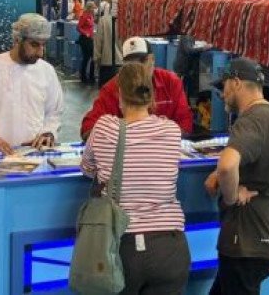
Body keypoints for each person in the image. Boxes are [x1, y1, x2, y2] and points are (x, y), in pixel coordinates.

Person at [81, 63, 190, 294]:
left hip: (121, 247)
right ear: (150, 94)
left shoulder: (103, 127)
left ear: (119, 92)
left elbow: (88, 169)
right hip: (171, 249)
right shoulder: (172, 130)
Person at [204, 57, 269, 295]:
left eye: (224, 86)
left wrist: (231, 196)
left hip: (245, 243)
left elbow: (227, 165)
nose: (222, 94)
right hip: (267, 240)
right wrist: (219, 173)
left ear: (236, 83)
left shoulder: (251, 120)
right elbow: (256, 160)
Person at [0, 13, 64, 154]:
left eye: (43, 45)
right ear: (17, 39)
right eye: (34, 44)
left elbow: (54, 112)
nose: (40, 53)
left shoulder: (47, 71)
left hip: (34, 155)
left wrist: (48, 132)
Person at [81, 37, 193, 139]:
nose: (137, 69)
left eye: (142, 62)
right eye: (130, 64)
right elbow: (88, 128)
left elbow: (185, 123)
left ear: (152, 59)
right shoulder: (111, 88)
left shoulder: (171, 82)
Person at [94, 0, 122, 88]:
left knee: (105, 92)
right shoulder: (126, 21)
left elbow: (98, 42)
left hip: (106, 63)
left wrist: (97, 59)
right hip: (122, 63)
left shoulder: (103, 20)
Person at [77, 1, 97, 84]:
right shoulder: (84, 16)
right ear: (89, 8)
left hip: (90, 39)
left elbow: (91, 27)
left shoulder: (91, 16)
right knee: (87, 58)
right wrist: (86, 33)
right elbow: (78, 27)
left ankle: (91, 76)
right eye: (93, 8)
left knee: (93, 58)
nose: (94, 9)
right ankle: (84, 77)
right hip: (84, 39)